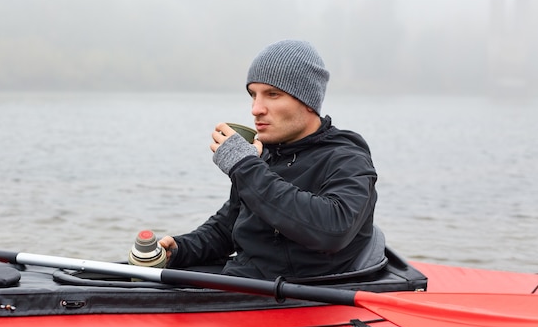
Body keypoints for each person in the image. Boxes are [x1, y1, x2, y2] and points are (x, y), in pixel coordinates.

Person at [159, 39, 382, 280]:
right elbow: (228, 228)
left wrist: (245, 167)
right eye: (253, 95)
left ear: (307, 101)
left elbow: (334, 229)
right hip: (241, 283)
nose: (256, 108)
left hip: (296, 297)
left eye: (272, 94)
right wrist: (181, 249)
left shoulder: (346, 156)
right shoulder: (265, 154)